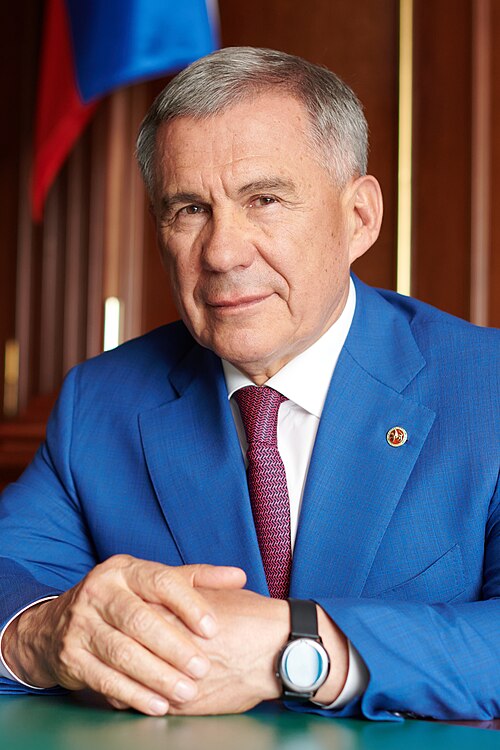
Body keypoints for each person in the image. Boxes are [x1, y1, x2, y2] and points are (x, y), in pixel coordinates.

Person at [0, 47, 498, 721]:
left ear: (359, 217)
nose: (222, 252)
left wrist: (295, 647)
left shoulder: (486, 386)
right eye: (189, 209)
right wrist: (41, 634)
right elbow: (10, 577)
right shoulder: (101, 401)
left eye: (264, 200)